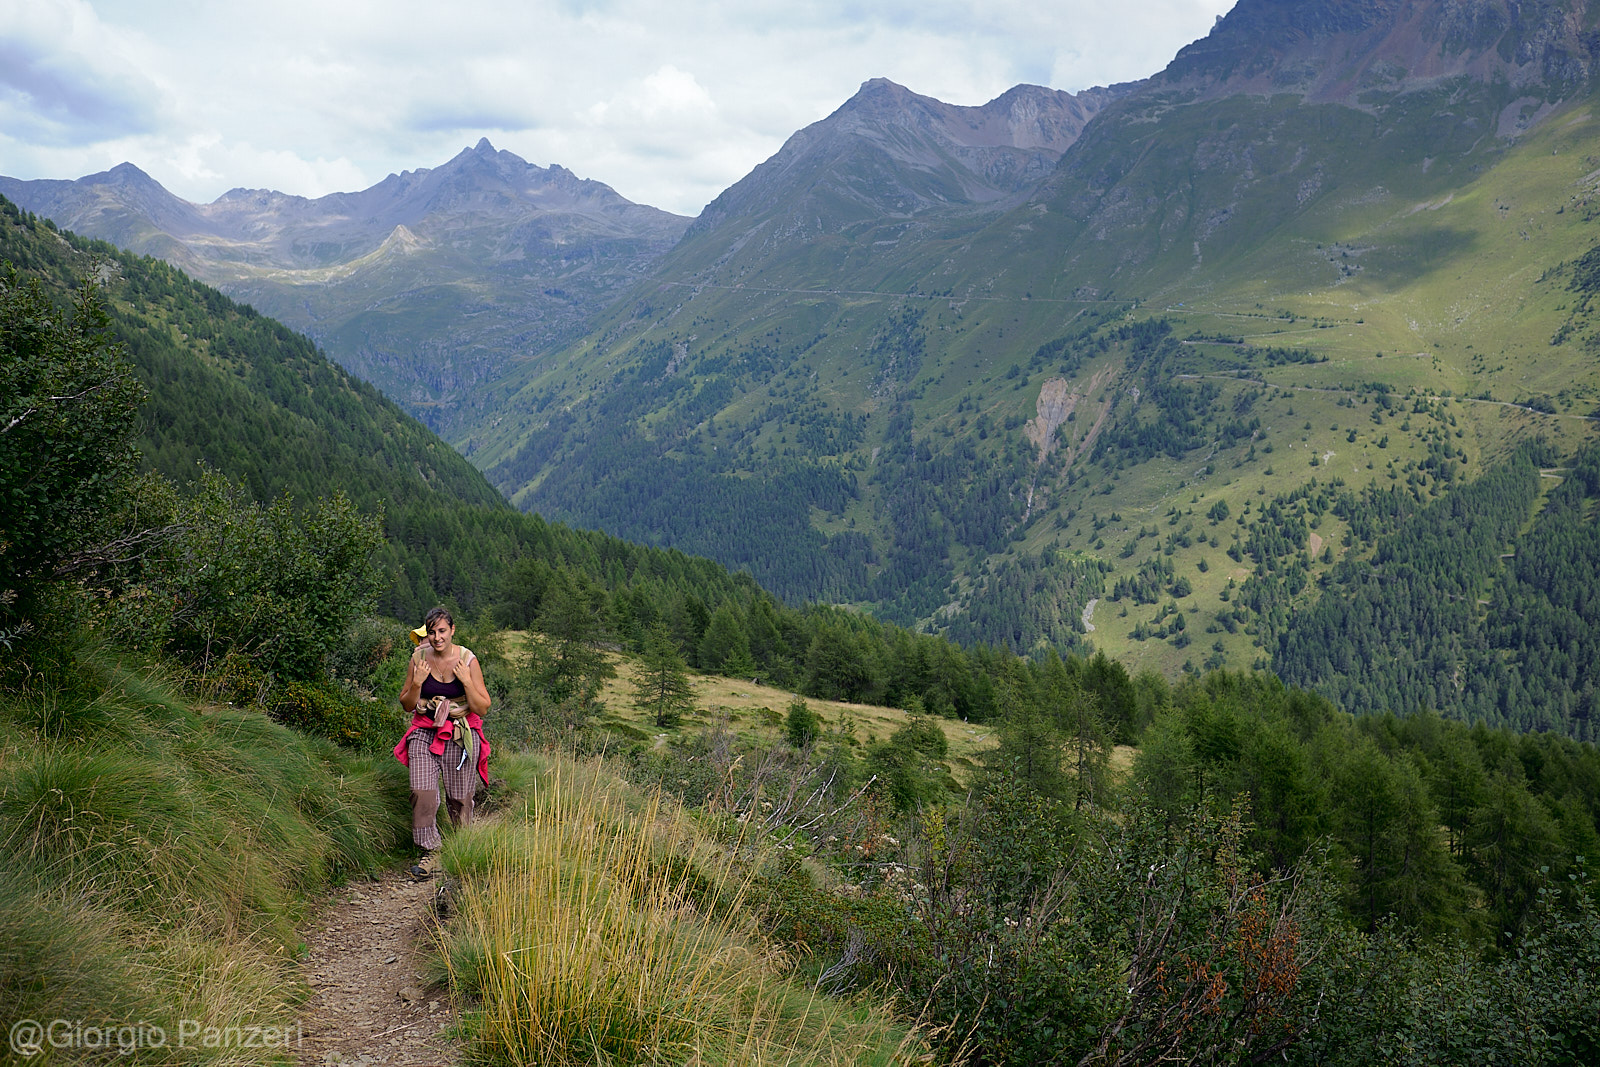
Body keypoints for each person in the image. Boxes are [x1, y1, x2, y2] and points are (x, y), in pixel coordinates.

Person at [393, 607, 491, 879]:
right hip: (425, 730)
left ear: (452, 630)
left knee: (460, 799)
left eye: (442, 631)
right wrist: (418, 683)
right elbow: (406, 704)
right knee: (421, 790)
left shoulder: (467, 660)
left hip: (460, 732)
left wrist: (465, 682)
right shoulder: (419, 658)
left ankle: (463, 848)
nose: (437, 637)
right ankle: (430, 852)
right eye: (432, 631)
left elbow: (482, 708)